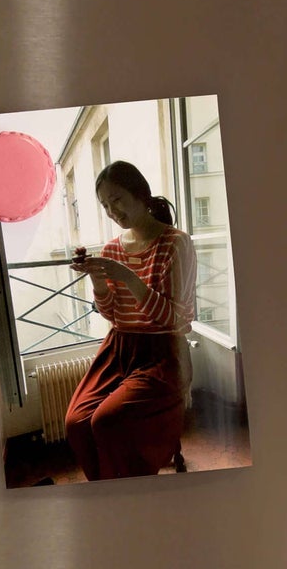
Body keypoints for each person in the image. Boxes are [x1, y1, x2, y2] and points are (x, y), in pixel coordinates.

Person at [64, 160, 197, 480]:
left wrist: (128, 277)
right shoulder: (111, 249)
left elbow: (175, 319)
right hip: (118, 348)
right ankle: (108, 490)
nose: (112, 211)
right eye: (105, 205)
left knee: (108, 421)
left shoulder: (175, 244)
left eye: (117, 200)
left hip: (164, 352)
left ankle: (131, 489)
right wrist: (98, 280)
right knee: (76, 422)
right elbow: (113, 314)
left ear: (140, 194)